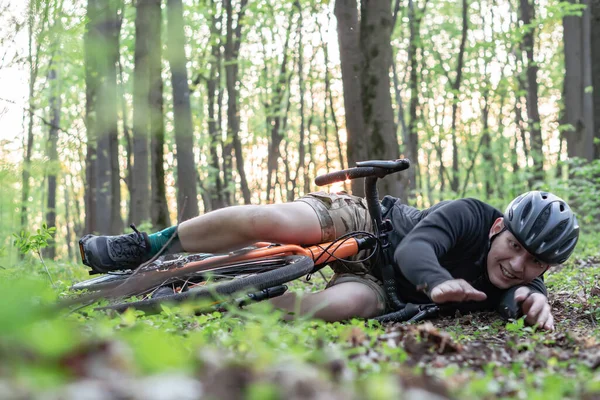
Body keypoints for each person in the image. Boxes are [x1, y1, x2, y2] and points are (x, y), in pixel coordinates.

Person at [79, 190, 579, 330]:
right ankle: (147, 245)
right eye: (514, 246)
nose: (517, 264)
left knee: (331, 308)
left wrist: (531, 303)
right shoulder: (470, 215)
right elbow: (415, 250)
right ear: (498, 228)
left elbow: (522, 296)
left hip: (384, 291)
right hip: (368, 224)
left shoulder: (526, 282)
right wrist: (438, 284)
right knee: (274, 222)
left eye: (534, 263)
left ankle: (202, 301)